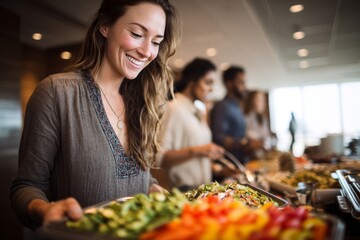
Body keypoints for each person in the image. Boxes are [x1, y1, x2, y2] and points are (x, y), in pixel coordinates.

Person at [10, 0, 179, 228]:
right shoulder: (57, 93)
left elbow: (138, 175)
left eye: (156, 42)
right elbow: (26, 186)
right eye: (137, 34)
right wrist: (44, 209)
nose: (147, 51)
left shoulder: (143, 103)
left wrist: (152, 188)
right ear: (105, 26)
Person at [159, 58, 224, 191]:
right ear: (192, 80)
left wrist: (219, 169)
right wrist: (199, 150)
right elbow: (160, 158)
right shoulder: (173, 108)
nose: (211, 89)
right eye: (207, 82)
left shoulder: (198, 110)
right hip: (184, 190)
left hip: (204, 188)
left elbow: (197, 156)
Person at [211, 66, 262, 164]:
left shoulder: (237, 106)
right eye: (241, 82)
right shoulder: (222, 107)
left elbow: (239, 135)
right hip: (229, 165)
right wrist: (246, 144)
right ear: (229, 84)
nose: (245, 87)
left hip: (242, 161)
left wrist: (249, 141)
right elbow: (219, 138)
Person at [244, 90, 272, 159]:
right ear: (251, 101)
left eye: (263, 100)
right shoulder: (245, 119)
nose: (263, 103)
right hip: (251, 158)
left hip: (263, 157)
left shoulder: (263, 118)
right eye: (259, 100)